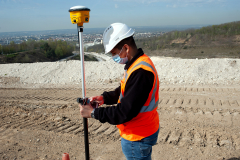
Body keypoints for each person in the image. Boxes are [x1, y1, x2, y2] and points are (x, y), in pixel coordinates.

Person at [79, 23, 160, 160]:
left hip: (137, 136)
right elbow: (126, 91)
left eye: (115, 53)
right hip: (141, 131)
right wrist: (105, 98)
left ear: (126, 48)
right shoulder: (137, 64)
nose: (114, 57)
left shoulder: (141, 72)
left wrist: (93, 113)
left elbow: (124, 112)